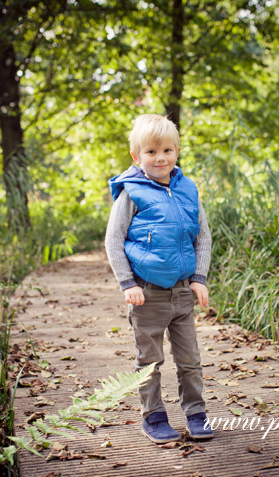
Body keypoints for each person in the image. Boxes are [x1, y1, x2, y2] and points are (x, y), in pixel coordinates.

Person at [105, 114, 213, 444]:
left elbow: (203, 236)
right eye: (151, 152)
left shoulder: (187, 190)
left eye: (167, 150)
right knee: (149, 361)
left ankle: (196, 413)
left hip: (181, 293)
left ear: (177, 151)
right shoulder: (131, 193)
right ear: (136, 157)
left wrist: (199, 277)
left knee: (190, 360)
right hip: (147, 294)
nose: (160, 157)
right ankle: (153, 417)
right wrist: (128, 283)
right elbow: (114, 239)